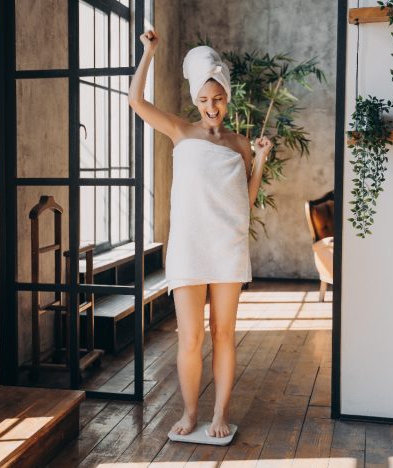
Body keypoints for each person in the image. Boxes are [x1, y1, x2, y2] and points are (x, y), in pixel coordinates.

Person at [128, 29, 273, 438]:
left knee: (224, 334)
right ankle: (190, 414)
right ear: (196, 100)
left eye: (218, 99)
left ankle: (219, 415)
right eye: (204, 100)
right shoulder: (180, 131)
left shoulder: (240, 143)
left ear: (227, 97)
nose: (212, 107)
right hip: (189, 247)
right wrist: (149, 52)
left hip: (227, 246)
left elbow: (244, 199)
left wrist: (259, 160)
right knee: (190, 337)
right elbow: (136, 102)